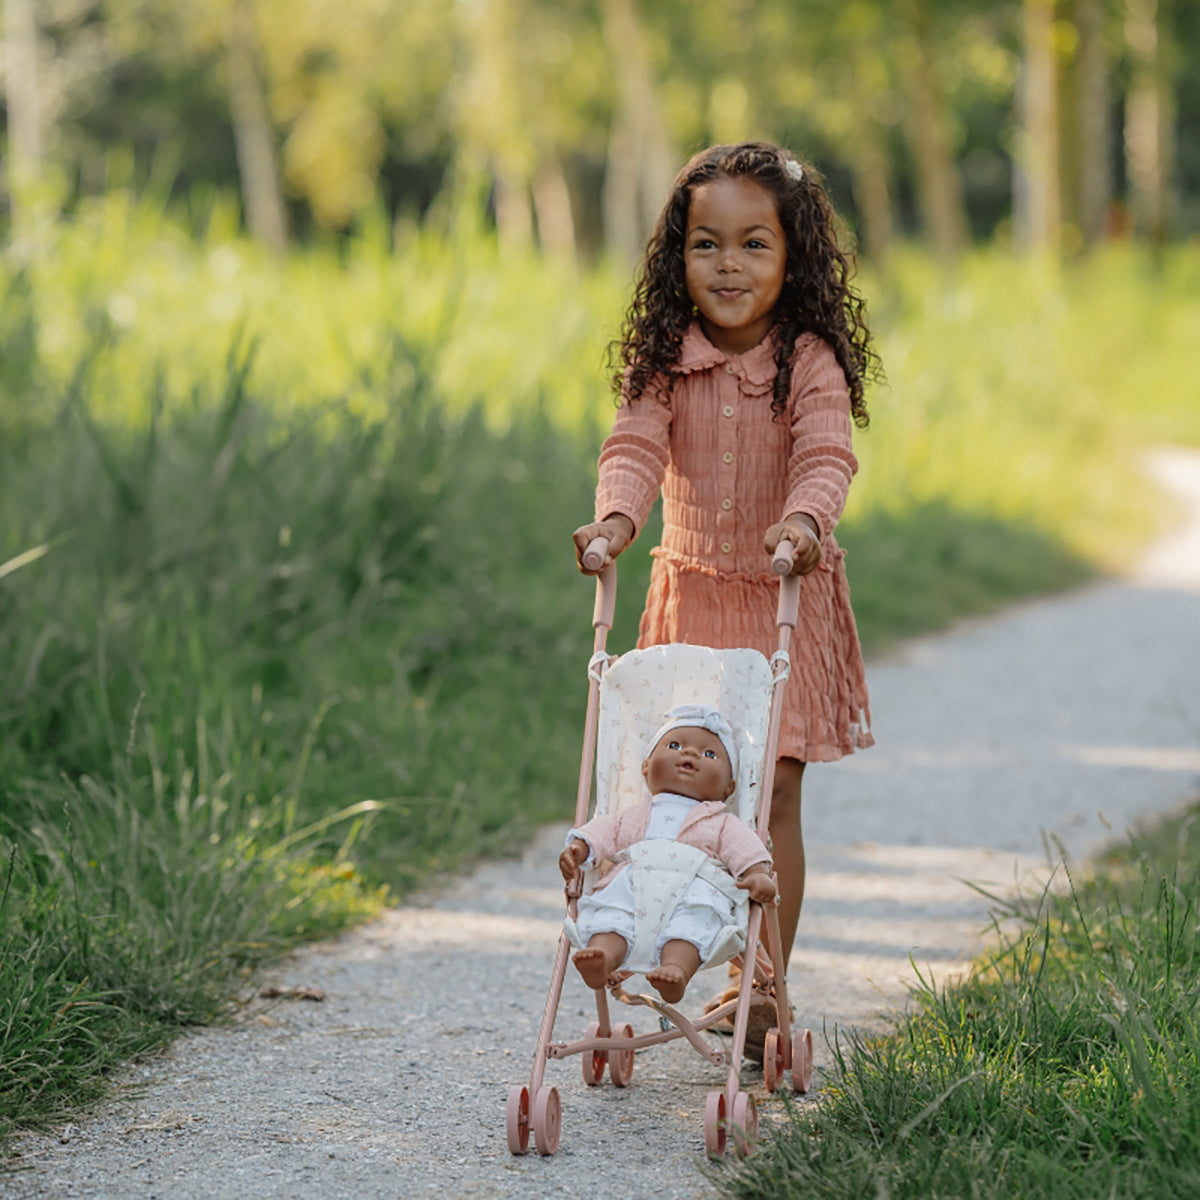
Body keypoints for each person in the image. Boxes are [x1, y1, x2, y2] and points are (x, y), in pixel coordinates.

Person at [572, 141, 876, 1044]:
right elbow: (633, 447)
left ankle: (762, 977)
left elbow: (827, 453)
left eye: (754, 244)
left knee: (770, 798)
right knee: (679, 794)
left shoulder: (807, 358)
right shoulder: (664, 357)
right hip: (692, 598)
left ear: (793, 257)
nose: (729, 266)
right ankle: (648, 938)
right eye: (708, 245)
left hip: (784, 593)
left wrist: (804, 524)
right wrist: (616, 522)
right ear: (679, 256)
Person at [560, 705, 776, 1004]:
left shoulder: (722, 822)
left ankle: (675, 971)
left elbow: (746, 848)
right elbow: (605, 831)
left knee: (690, 928)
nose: (689, 754)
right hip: (632, 889)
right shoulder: (634, 815)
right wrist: (580, 847)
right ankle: (602, 958)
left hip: (692, 893)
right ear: (646, 766)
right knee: (613, 918)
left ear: (729, 787)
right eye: (674, 746)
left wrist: (757, 873)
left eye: (710, 754)